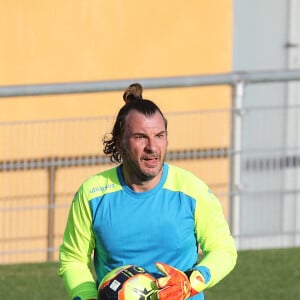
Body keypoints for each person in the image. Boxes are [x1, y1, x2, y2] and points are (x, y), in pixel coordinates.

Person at [59, 83, 237, 300]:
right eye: (141, 137)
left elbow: (223, 250)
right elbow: (73, 258)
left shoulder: (193, 191)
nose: (153, 147)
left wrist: (191, 282)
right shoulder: (92, 194)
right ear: (120, 142)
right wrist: (86, 297)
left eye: (160, 135)